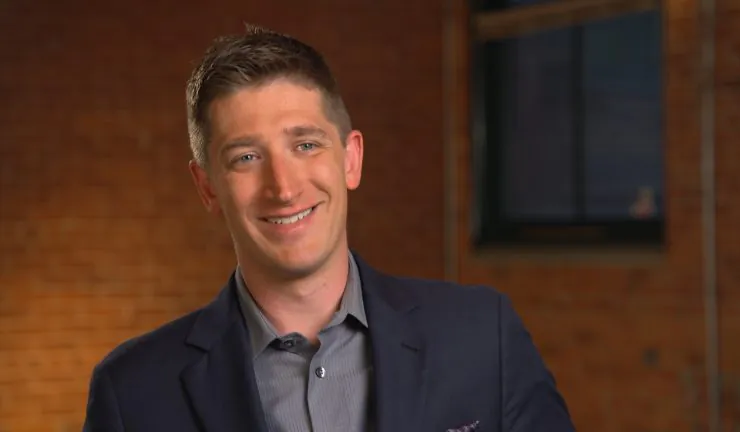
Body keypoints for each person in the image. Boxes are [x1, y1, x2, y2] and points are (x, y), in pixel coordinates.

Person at [82, 25, 575, 432]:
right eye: (246, 157)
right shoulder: (133, 394)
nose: (284, 187)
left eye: (306, 145)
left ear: (351, 159)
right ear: (207, 187)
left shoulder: (483, 337)